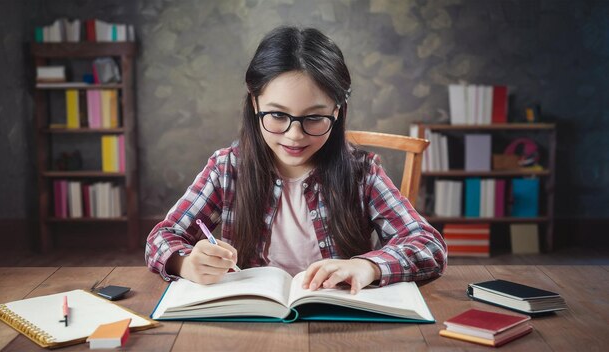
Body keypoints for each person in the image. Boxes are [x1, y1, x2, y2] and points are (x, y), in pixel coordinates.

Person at [145, 26, 446, 294]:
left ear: (338, 110)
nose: (294, 135)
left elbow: (428, 245)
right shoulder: (227, 168)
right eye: (277, 115)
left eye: (314, 118)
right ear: (254, 103)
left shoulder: (362, 172)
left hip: (341, 321)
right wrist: (185, 262)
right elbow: (162, 237)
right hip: (251, 319)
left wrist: (368, 267)